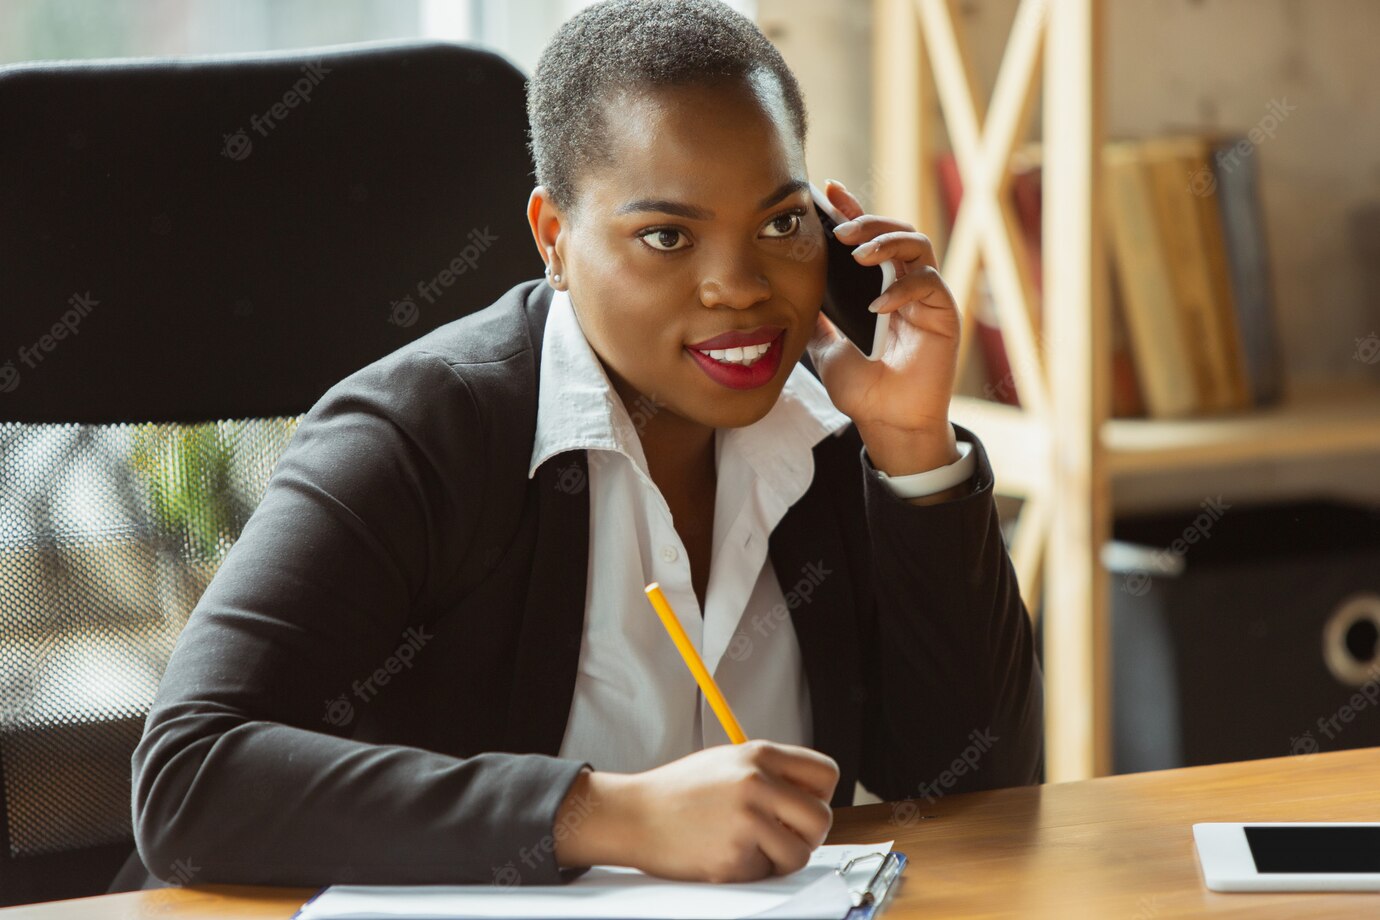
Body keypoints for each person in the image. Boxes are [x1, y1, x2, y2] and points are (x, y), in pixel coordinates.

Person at [128, 0, 1043, 891]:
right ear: (554, 240)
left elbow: (975, 785)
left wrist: (914, 450)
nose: (740, 287)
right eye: (665, 236)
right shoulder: (422, 433)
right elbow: (188, 782)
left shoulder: (836, 427)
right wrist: (611, 816)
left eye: (780, 223)